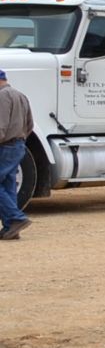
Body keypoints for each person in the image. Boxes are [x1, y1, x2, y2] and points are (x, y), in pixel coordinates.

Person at [0, 68, 33, 240]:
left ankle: (16, 218)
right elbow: (30, 124)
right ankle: (10, 229)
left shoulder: (2, 96)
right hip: (18, 145)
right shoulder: (20, 95)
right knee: (8, 186)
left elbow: (1, 125)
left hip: (5, 146)